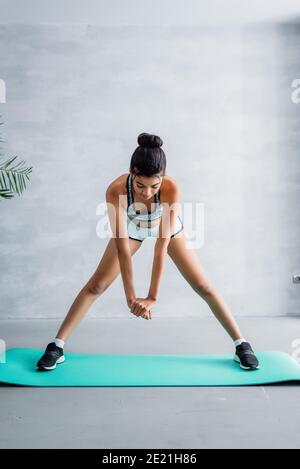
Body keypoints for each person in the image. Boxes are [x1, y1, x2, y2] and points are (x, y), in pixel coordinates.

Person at [36, 132, 259, 371]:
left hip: (167, 231)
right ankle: (56, 346)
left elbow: (160, 247)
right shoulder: (115, 190)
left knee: (203, 285)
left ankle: (242, 345)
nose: (147, 192)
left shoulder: (171, 188)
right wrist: (131, 299)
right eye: (140, 185)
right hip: (132, 230)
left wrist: (152, 297)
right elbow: (122, 248)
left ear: (162, 179)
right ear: (132, 173)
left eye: (155, 185)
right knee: (97, 285)